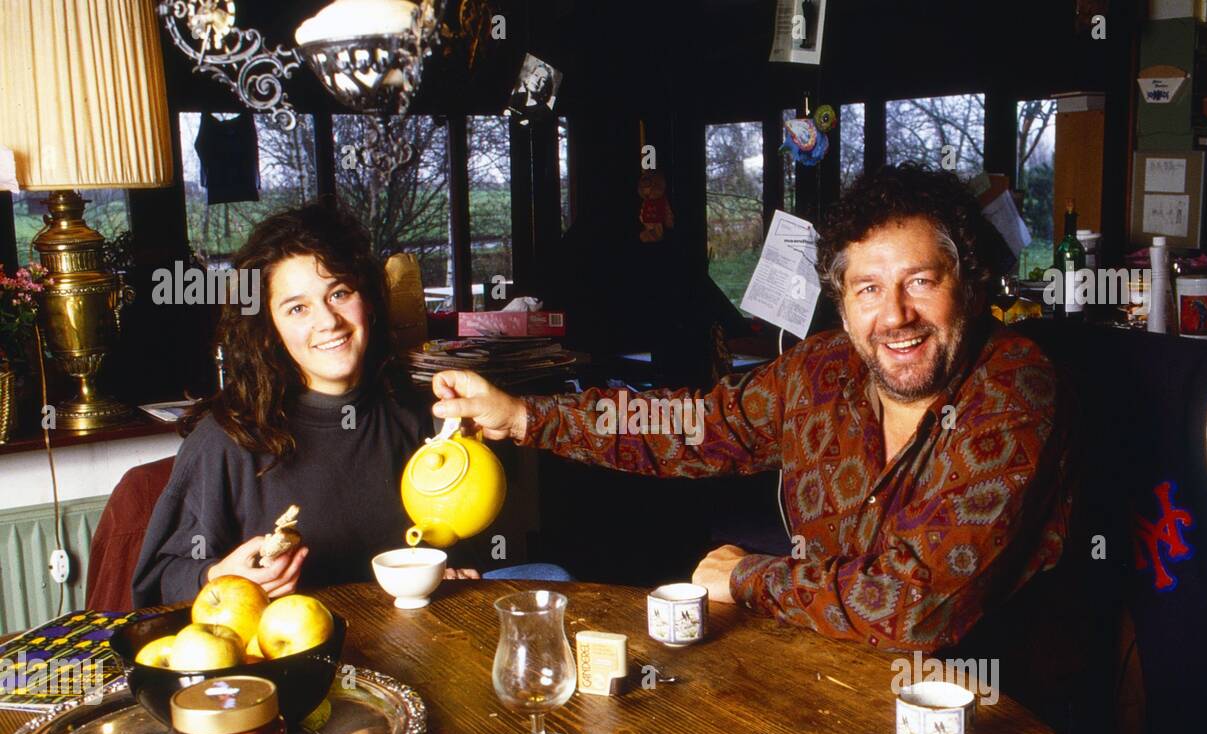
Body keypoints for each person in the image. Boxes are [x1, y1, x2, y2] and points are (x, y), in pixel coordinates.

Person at [429, 163, 1074, 651]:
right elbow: (684, 426)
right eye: (869, 289)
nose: (896, 316)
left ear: (969, 286)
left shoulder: (1014, 385)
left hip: (988, 722)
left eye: (922, 282)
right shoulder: (819, 369)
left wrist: (746, 578)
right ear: (843, 307)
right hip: (829, 681)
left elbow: (916, 611)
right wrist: (521, 416)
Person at [132, 201, 566, 608]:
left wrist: (455, 570)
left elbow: (467, 542)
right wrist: (217, 578)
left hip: (419, 636)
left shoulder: (424, 414)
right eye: (297, 308)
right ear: (269, 330)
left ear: (369, 302)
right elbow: (155, 581)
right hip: (304, 652)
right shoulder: (227, 439)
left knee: (553, 576)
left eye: (338, 293)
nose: (328, 321)